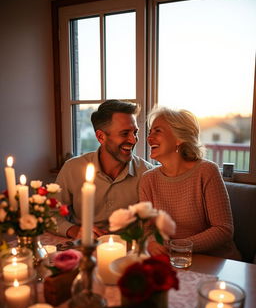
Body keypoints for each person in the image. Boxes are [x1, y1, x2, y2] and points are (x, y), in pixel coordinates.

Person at [139, 106, 241, 260]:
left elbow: (223, 230)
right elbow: (147, 229)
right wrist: (153, 241)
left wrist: (176, 245)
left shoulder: (207, 171)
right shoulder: (148, 179)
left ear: (179, 138)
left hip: (215, 261)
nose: (149, 138)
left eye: (157, 131)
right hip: (171, 259)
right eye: (150, 132)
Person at [55, 100, 153, 239]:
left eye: (135, 132)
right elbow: (51, 215)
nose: (133, 140)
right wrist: (74, 230)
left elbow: (153, 223)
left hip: (129, 251)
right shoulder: (72, 169)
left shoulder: (146, 173)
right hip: (85, 248)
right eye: (125, 133)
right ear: (101, 137)